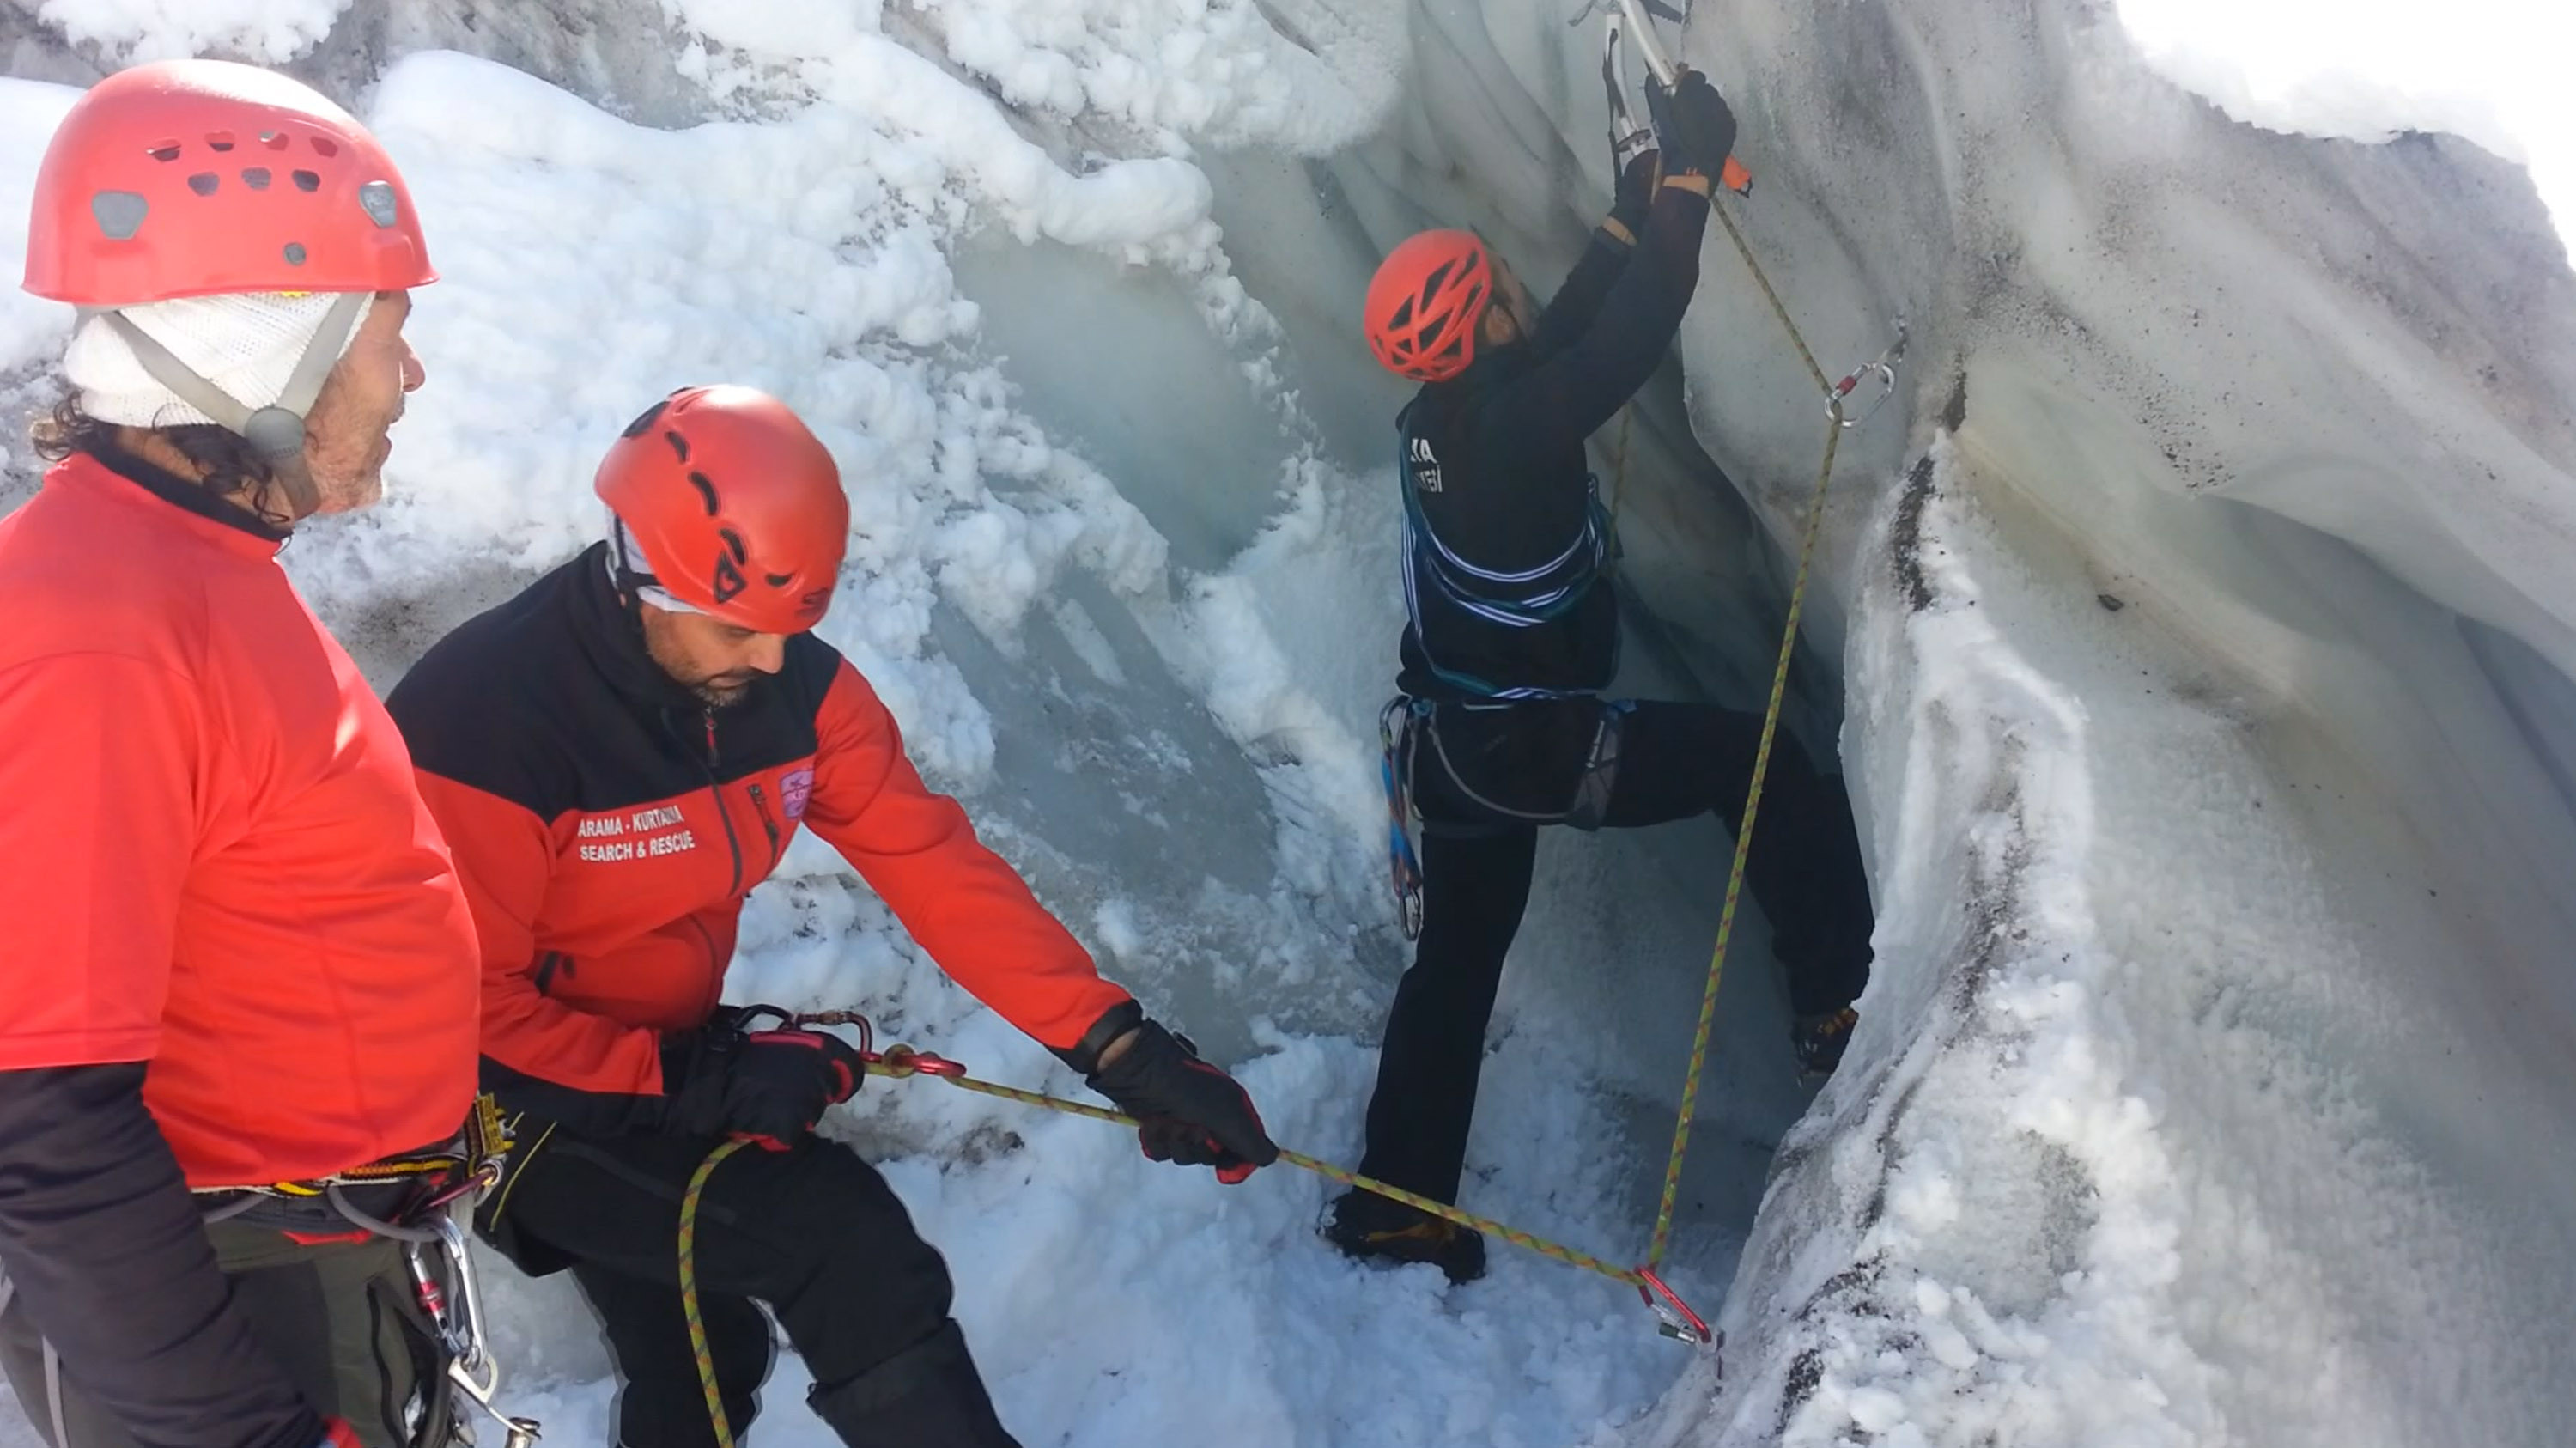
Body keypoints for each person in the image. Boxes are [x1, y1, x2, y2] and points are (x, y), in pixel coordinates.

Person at [383, 383, 1277, 1448]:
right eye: (738, 627)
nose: (770, 660)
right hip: (516, 1104)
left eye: (791, 627)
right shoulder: (489, 725)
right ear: (639, 576)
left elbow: (935, 866)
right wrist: (693, 1080)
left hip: (657, 1063)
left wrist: (1123, 1051)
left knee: (708, 1356)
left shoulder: (790, 691)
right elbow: (457, 1019)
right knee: (842, 1245)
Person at [0, 59, 487, 1448]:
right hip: (242, 1316)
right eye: (387, 331)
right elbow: (42, 1120)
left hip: (312, 1274)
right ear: (271, 350)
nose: (411, 374)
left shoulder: (183, 567)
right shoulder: (102, 629)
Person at [1333, 70, 1877, 1285]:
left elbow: (1567, 337)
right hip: (1532, 749)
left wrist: (1634, 205)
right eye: (1500, 288)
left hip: (1456, 750)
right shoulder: (1509, 431)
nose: (1516, 293)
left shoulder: (1446, 423)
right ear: (1482, 316)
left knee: (1454, 970)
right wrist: (1689, 182)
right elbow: (1624, 340)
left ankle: (1392, 1207)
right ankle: (1834, 1000)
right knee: (1754, 764)